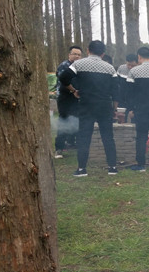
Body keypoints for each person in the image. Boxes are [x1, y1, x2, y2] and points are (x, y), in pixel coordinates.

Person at [59, 40, 119, 177]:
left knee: (84, 137)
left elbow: (63, 78)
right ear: (103, 54)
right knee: (108, 137)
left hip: (86, 105)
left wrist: (73, 90)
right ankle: (112, 167)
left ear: (87, 50)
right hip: (104, 105)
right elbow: (116, 91)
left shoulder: (79, 64)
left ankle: (81, 169)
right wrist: (114, 109)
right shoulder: (110, 68)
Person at [54, 45, 83, 158]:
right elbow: (64, 81)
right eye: (74, 54)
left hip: (76, 96)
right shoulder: (64, 66)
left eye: (79, 55)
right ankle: (59, 148)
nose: (76, 56)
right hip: (65, 97)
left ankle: (72, 143)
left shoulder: (80, 66)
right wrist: (74, 90)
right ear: (69, 55)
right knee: (64, 120)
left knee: (77, 120)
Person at [116, 54, 137, 122]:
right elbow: (117, 83)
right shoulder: (121, 68)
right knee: (121, 118)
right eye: (128, 65)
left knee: (134, 118)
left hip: (134, 99)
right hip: (122, 98)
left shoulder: (139, 71)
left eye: (133, 65)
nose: (130, 67)